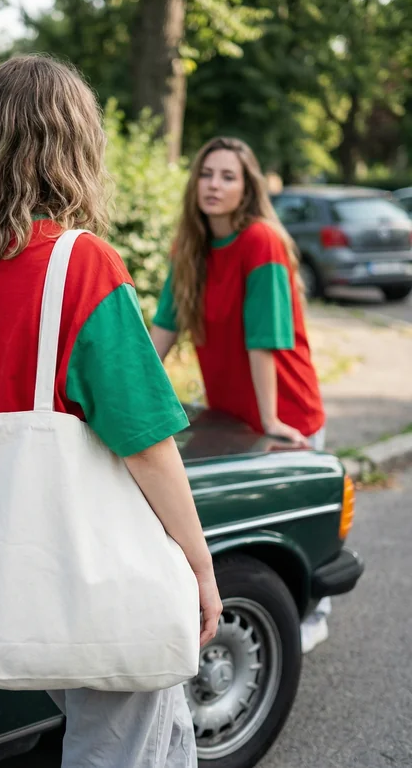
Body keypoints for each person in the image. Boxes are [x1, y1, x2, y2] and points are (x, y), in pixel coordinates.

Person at [0, 55, 222, 768]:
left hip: (12, 576)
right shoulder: (83, 265)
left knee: (158, 736)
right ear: (75, 148)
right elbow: (146, 443)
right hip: (100, 572)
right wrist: (199, 566)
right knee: (119, 749)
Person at [150, 136, 329, 654]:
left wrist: (271, 417)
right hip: (232, 417)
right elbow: (163, 329)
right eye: (207, 173)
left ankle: (309, 614)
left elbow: (265, 336)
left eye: (229, 176)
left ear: (247, 187)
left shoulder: (262, 242)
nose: (214, 185)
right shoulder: (190, 247)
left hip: (286, 413)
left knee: (300, 534)